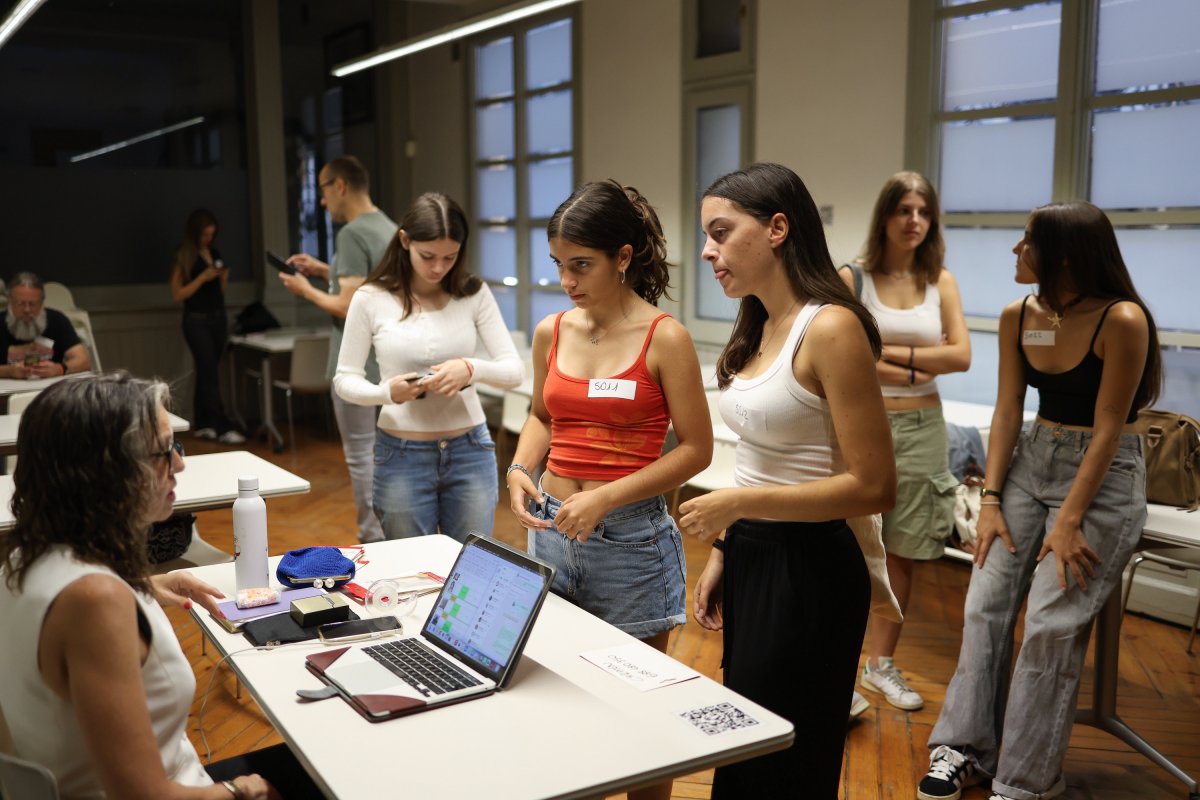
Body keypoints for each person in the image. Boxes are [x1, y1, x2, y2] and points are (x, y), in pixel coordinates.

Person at [917, 201, 1161, 800]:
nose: (1014, 251)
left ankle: (1024, 782)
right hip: (1031, 461)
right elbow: (1006, 411)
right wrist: (992, 499)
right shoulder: (1018, 313)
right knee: (985, 602)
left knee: (1051, 626)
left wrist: (1070, 519)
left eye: (1026, 242)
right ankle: (965, 748)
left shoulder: (1122, 319)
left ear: (1066, 256)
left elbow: (1108, 428)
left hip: (1102, 478)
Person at [0, 372, 323, 799]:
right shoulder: (95, 603)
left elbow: (61, 627)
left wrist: (145, 587)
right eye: (163, 451)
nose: (181, 463)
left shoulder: (22, 560)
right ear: (105, 472)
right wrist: (243, 789)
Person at [680, 162, 896, 799]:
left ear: (778, 228)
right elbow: (762, 457)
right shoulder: (760, 321)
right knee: (747, 746)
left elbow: (875, 486)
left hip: (812, 567)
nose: (707, 250)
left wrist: (738, 505)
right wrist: (727, 547)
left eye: (721, 232)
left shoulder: (830, 327)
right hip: (756, 555)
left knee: (787, 760)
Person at [506, 180, 711, 800]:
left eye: (582, 266)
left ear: (623, 258)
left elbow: (695, 450)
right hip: (553, 529)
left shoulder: (664, 338)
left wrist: (607, 497)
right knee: (566, 695)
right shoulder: (553, 330)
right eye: (559, 266)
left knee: (639, 711)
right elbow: (543, 415)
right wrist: (519, 470)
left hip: (629, 543)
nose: (567, 280)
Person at [838, 172, 970, 715]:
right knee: (847, 545)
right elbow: (847, 349)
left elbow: (960, 357)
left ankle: (880, 665)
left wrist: (889, 355)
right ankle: (838, 665)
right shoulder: (854, 277)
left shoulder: (941, 280)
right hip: (862, 424)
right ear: (885, 217)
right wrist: (919, 359)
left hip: (923, 427)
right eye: (904, 210)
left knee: (906, 547)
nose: (914, 221)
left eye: (923, 211)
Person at [334, 192, 522, 542]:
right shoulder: (370, 298)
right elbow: (344, 380)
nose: (438, 267)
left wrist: (471, 368)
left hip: (470, 452)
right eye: (428, 256)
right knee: (411, 570)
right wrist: (386, 392)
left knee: (471, 566)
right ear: (404, 241)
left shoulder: (473, 293)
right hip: (401, 456)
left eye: (450, 257)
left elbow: (514, 371)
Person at [279, 156, 395, 544]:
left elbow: (348, 305)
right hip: (391, 363)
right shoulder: (391, 229)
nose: (323, 202)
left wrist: (305, 289)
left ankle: (371, 537)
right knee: (391, 455)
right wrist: (325, 272)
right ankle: (396, 535)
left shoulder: (350, 234)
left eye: (324, 191)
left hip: (357, 367)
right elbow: (370, 287)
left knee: (362, 455)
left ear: (340, 185)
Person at [169, 209, 245, 444]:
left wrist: (222, 277)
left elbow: (218, 291)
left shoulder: (215, 252)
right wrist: (202, 277)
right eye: (204, 234)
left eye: (212, 234)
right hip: (195, 321)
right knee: (209, 371)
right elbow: (178, 294)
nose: (208, 239)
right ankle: (222, 426)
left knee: (206, 370)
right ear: (196, 233)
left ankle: (203, 423)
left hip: (217, 317)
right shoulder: (184, 256)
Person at [0, 272, 92, 379]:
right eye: (20, 303)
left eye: (32, 304)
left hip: (50, 391)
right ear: (10, 301)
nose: (27, 310)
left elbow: (83, 361)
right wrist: (9, 371)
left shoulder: (57, 320)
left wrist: (59, 369)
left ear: (42, 302)